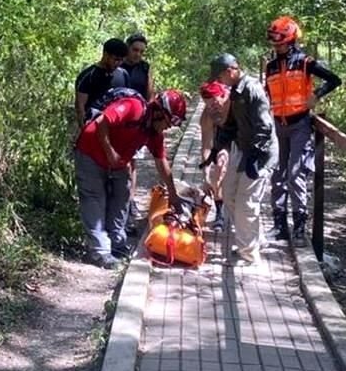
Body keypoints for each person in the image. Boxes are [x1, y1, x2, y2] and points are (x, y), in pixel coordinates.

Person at [74, 89, 187, 268]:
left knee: (122, 196)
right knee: (95, 200)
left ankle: (116, 242)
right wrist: (110, 152)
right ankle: (100, 252)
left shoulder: (153, 133)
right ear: (159, 112)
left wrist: (173, 195)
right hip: (90, 153)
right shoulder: (133, 107)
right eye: (169, 121)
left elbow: (162, 163)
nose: (169, 127)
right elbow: (103, 122)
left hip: (118, 162)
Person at [264, 16, 342, 245]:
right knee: (278, 173)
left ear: (289, 39)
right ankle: (279, 225)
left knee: (295, 173)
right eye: (273, 43)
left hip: (300, 125)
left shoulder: (305, 62)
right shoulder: (270, 67)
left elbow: (334, 80)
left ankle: (299, 226)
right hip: (279, 125)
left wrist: (316, 96)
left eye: (279, 42)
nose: (275, 46)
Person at [209, 53, 278, 266]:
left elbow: (264, 126)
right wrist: (217, 148)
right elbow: (232, 124)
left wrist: (255, 157)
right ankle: (255, 239)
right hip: (244, 151)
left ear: (231, 71)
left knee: (246, 203)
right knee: (229, 194)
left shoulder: (252, 89)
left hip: (261, 154)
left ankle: (249, 255)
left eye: (220, 77)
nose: (219, 82)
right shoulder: (236, 92)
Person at [121, 33, 155, 233]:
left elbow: (149, 94)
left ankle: (131, 199)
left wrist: (148, 118)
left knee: (132, 162)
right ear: (128, 48)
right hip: (118, 119)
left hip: (138, 121)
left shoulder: (145, 68)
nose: (138, 54)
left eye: (142, 51)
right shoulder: (118, 66)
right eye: (135, 50)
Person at [198, 80, 234, 232]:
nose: (212, 108)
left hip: (240, 138)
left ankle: (234, 213)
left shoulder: (234, 106)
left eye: (214, 103)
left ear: (223, 96)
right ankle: (220, 213)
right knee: (216, 172)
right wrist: (206, 174)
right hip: (220, 140)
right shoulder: (207, 116)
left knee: (231, 176)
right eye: (208, 105)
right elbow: (206, 145)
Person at [74, 38, 129, 128]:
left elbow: (126, 101)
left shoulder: (123, 74)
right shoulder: (88, 76)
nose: (118, 63)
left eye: (121, 60)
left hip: (116, 128)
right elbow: (80, 107)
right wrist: (85, 129)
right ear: (105, 54)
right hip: (94, 126)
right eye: (115, 59)